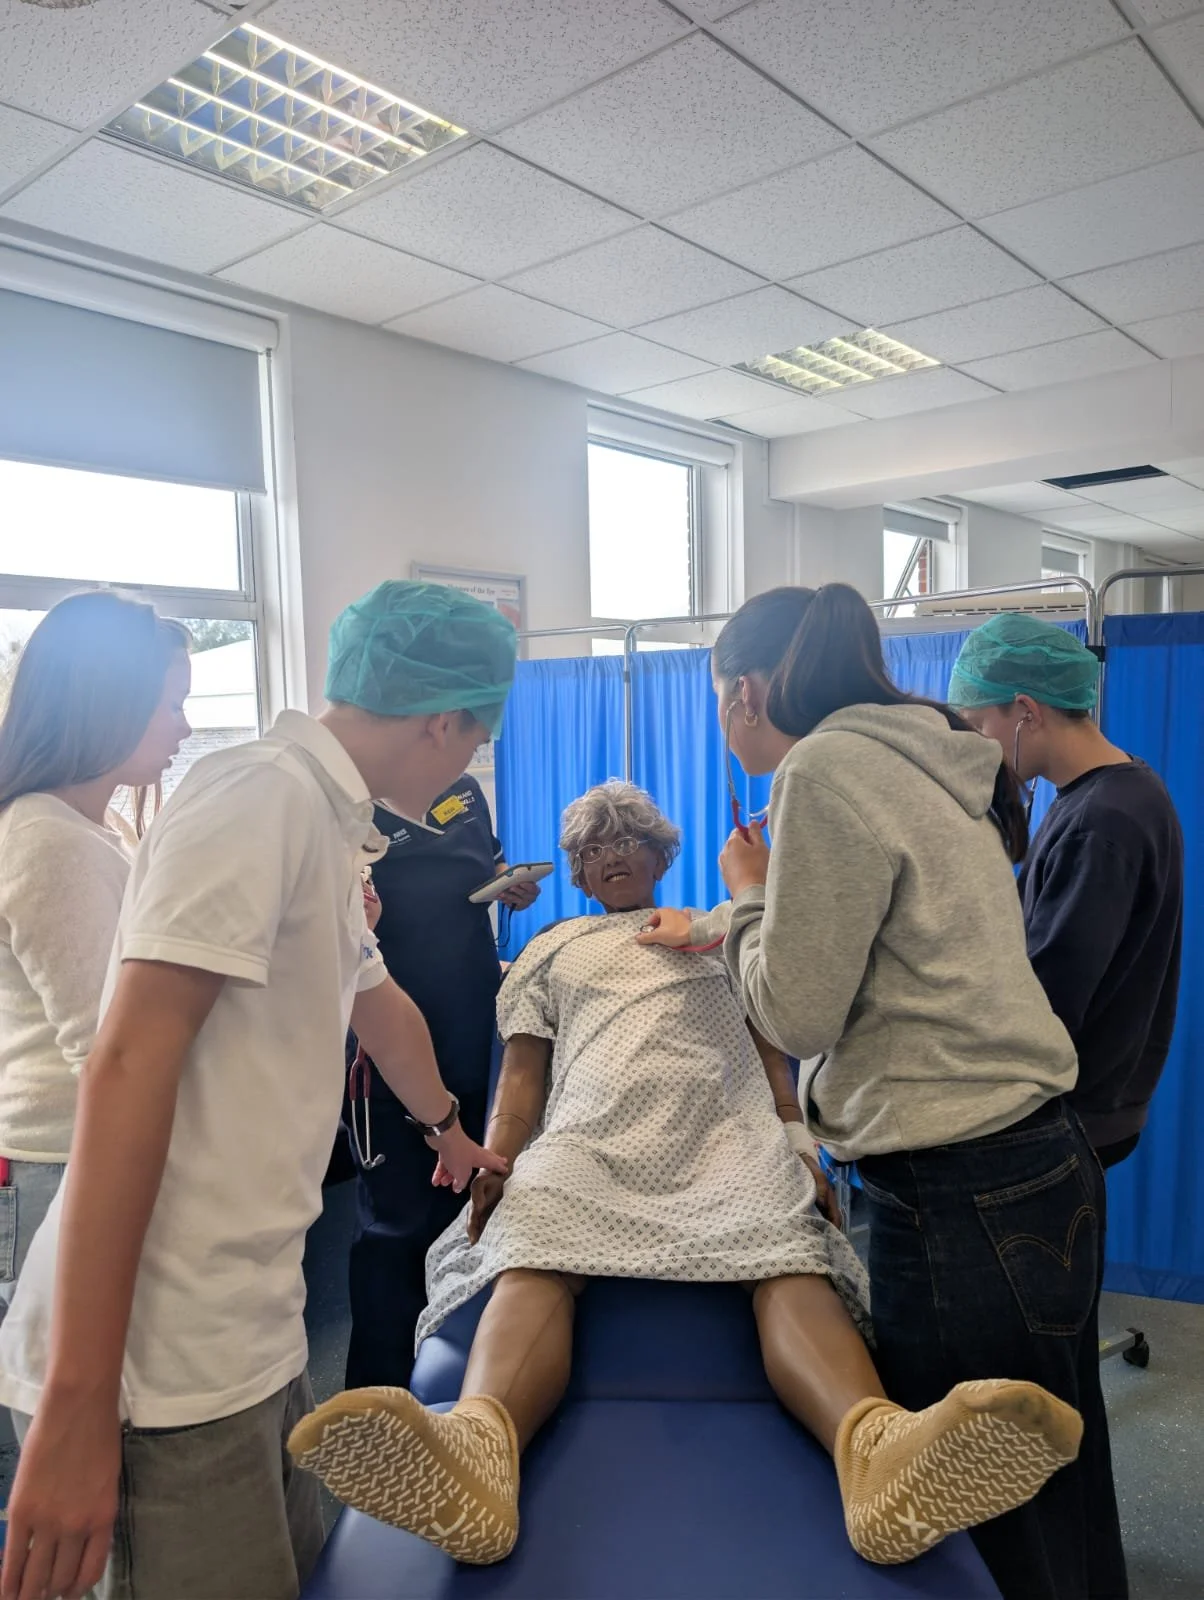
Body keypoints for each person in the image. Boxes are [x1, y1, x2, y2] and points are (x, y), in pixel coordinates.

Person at [291, 780, 1082, 1574]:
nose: (610, 858)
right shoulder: (550, 948)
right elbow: (523, 1072)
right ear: (574, 872)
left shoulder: (718, 930)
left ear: (662, 852)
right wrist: (502, 1157)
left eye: (627, 840)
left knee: (785, 1245)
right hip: (588, 1132)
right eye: (592, 849)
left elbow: (776, 1048)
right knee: (535, 1240)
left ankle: (873, 1450)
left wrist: (800, 1143)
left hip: (724, 1126)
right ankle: (479, 1449)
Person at [0, 580, 514, 1600]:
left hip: (250, 1318)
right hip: (160, 1355)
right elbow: (124, 1061)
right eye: (472, 741)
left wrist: (452, 1131)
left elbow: (379, 1004)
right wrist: (76, 1402)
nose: (467, 768)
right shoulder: (256, 796)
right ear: (443, 722)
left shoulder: (320, 815)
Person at [635, 586, 1125, 1600]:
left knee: (970, 1518)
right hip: (1036, 1162)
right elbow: (886, 952)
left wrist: (744, 894)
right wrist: (743, 919)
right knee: (1055, 1481)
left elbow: (797, 1016)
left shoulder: (821, 767)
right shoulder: (930, 750)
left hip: (953, 1190)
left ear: (743, 690)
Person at [0, 593, 191, 1316]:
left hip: (91, 1149)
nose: (185, 728)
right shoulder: (49, 841)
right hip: (72, 1156)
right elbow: (105, 1045)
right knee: (82, 1406)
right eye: (169, 706)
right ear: (105, 703)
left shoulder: (94, 823)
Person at [948, 612, 1183, 1169]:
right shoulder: (1120, 787)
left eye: (981, 727)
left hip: (1072, 1115)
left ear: (1026, 711)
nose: (980, 749)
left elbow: (1049, 999)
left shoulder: (1100, 823)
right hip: (1096, 1104)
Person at [343, 772, 540, 1389]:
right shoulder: (350, 810)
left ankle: (458, 1388)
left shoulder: (465, 793)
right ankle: (378, 1410)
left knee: (476, 1206)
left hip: (474, 1020)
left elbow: (491, 865)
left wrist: (512, 891)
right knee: (400, 1225)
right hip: (389, 1031)